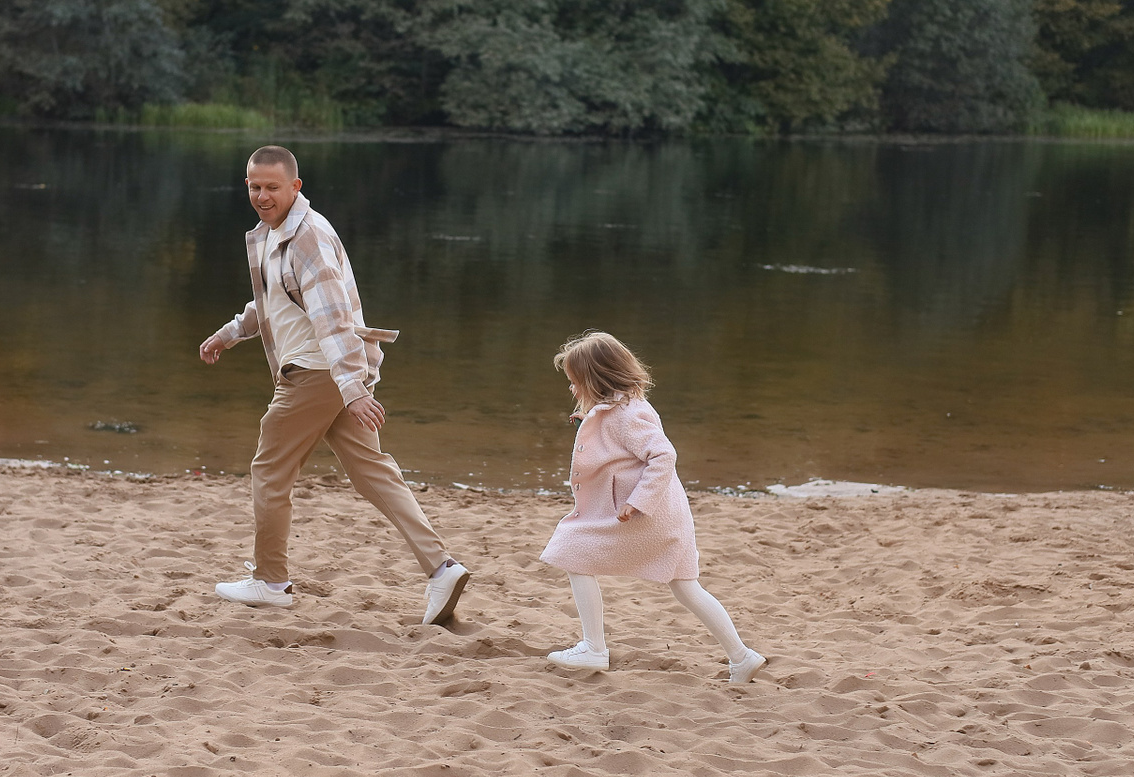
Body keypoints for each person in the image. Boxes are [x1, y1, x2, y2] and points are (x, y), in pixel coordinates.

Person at [198, 146, 472, 624]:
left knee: (270, 470)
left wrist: (354, 389)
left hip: (316, 373)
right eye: (255, 187)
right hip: (331, 375)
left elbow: (333, 319)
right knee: (372, 471)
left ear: (295, 187)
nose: (262, 196)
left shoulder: (308, 237)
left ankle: (271, 581)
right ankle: (441, 568)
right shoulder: (273, 234)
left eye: (272, 187)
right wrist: (230, 333)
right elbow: (274, 299)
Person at [538, 330, 766, 683]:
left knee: (572, 550)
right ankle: (742, 656)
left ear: (596, 380)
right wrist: (589, 424)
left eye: (575, 381)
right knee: (686, 587)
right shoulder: (620, 408)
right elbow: (619, 446)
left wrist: (638, 501)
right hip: (667, 514)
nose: (571, 388)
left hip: (643, 513)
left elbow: (663, 455)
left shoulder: (627, 414)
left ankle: (593, 647)